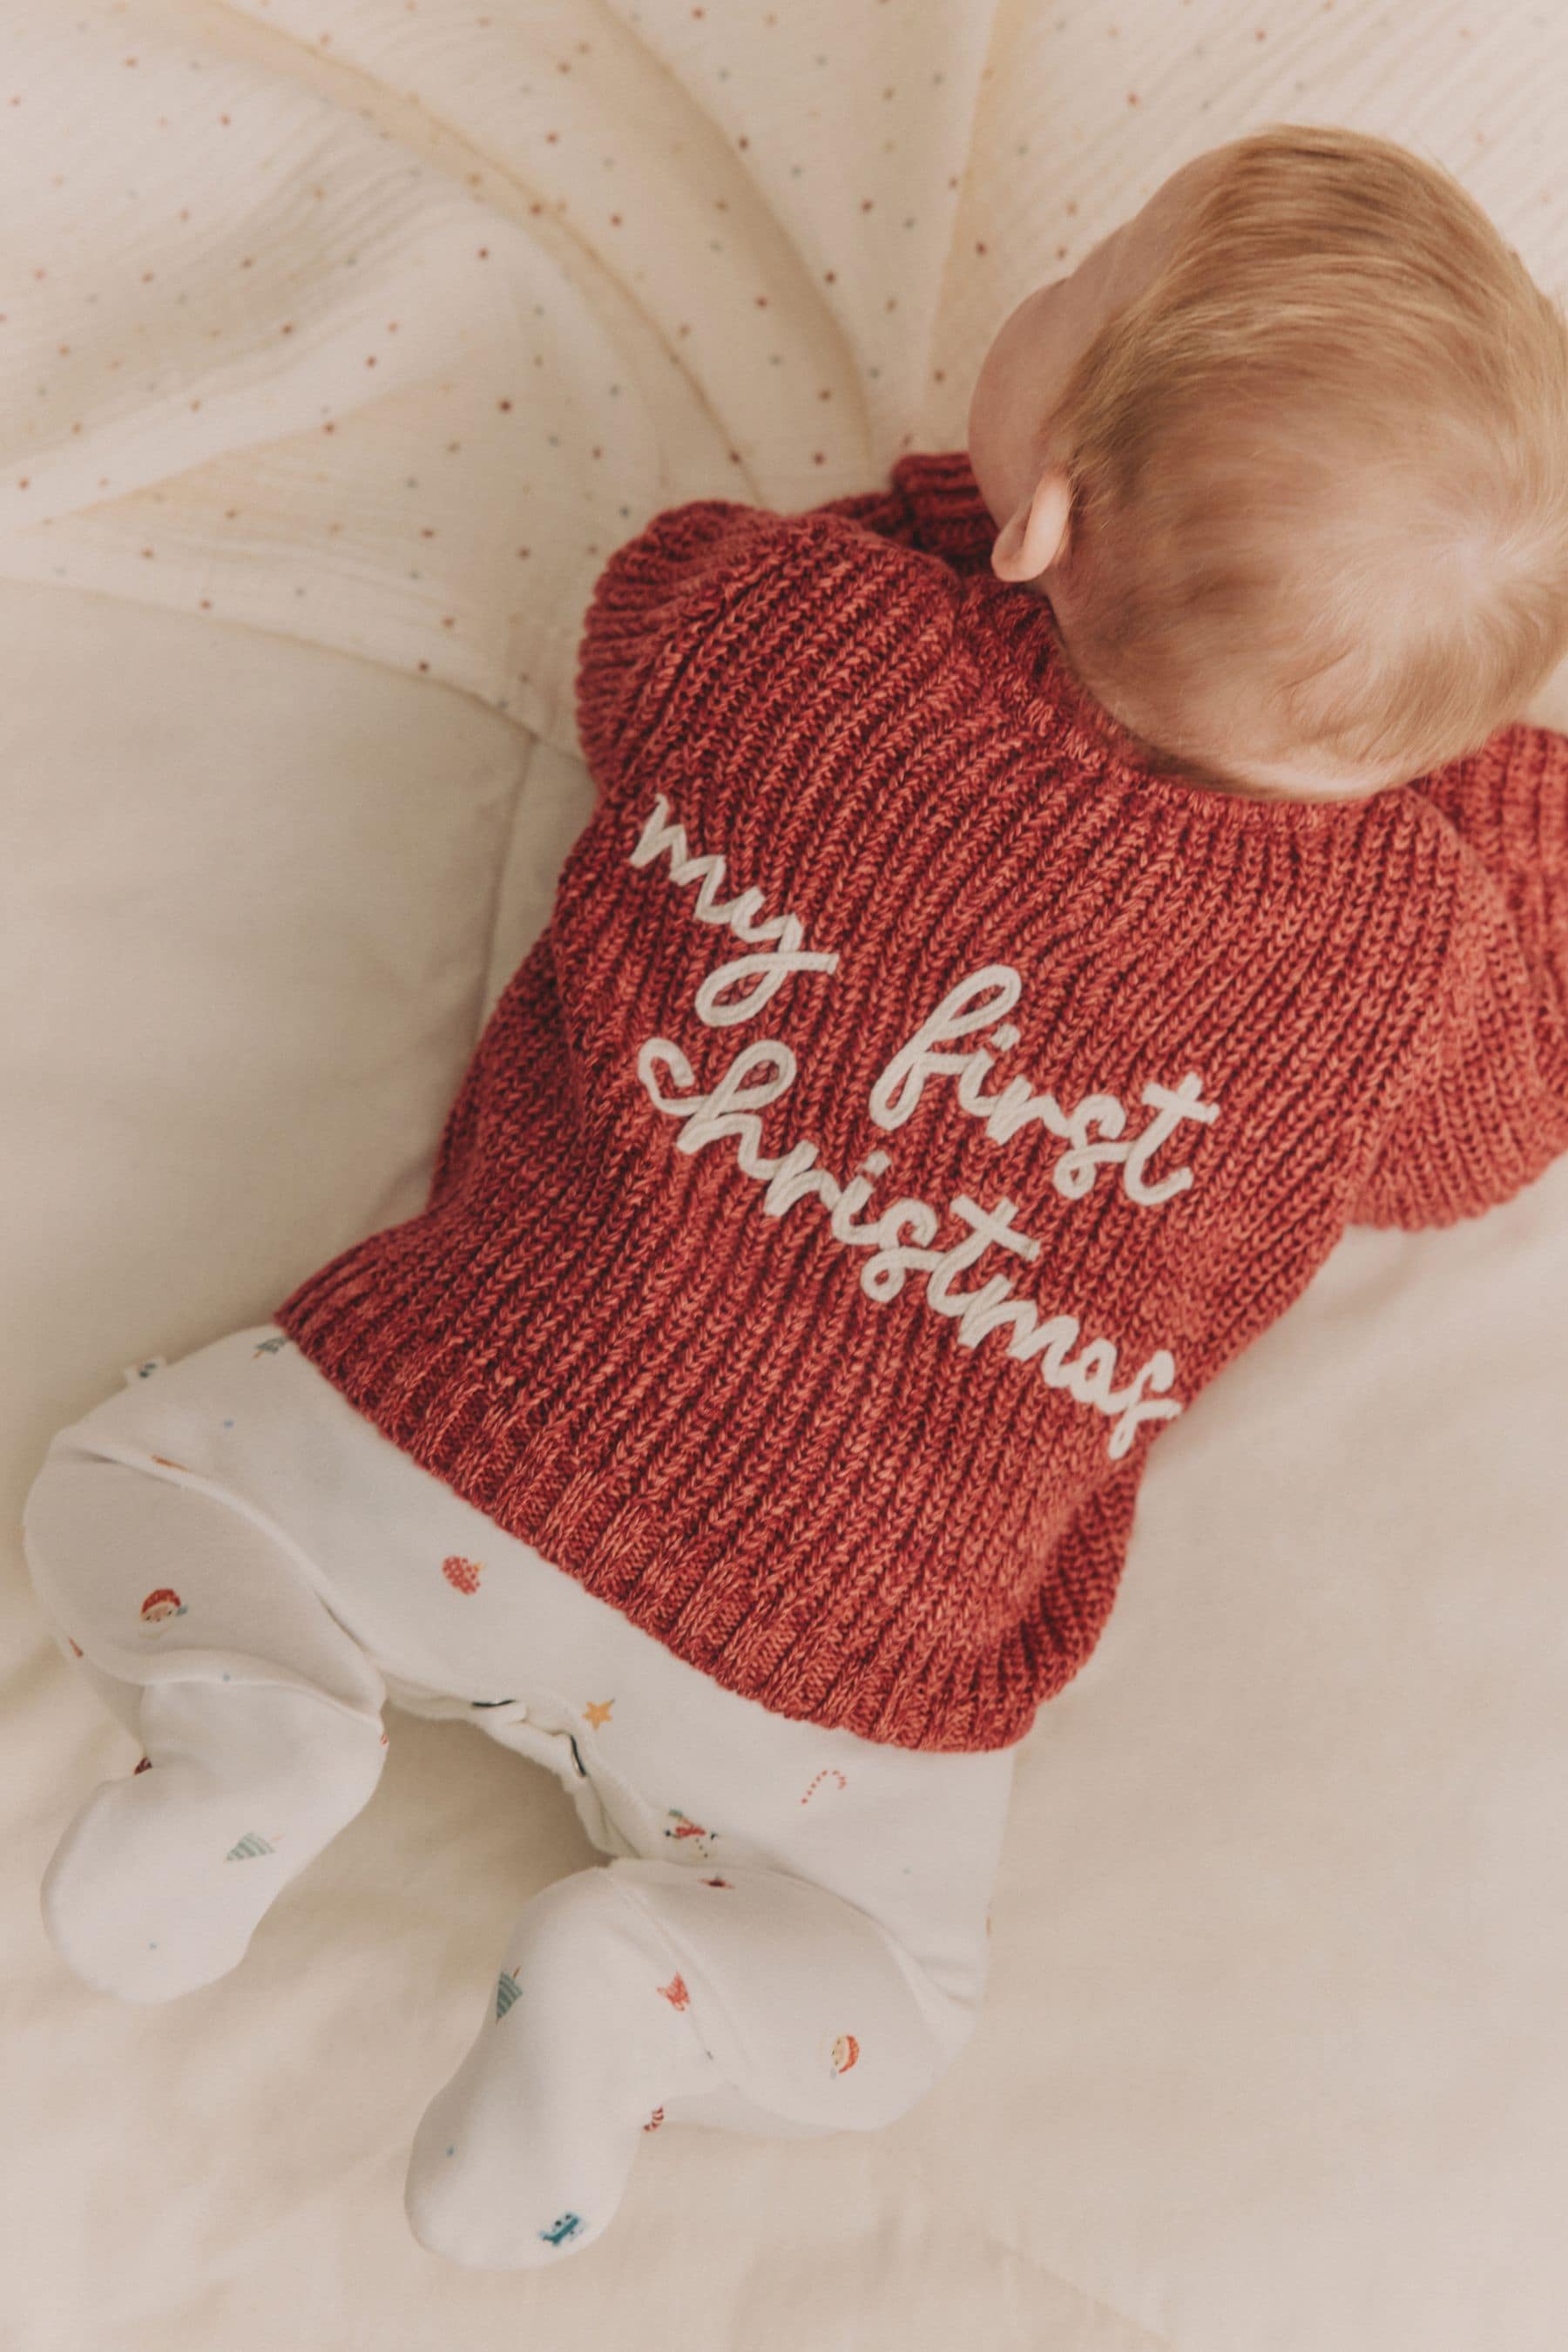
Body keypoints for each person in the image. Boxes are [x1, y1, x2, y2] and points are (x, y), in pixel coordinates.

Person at [21, 124, 1568, 2270]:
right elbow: (1511, 1117)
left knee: (124, 1484)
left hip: (454, 1445)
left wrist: (951, 546)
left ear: (1035, 516)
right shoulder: (1412, 966)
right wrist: (1461, 775)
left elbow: (633, 627)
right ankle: (648, 1998)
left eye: (1081, 285)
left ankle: (253, 1722)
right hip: (830, 1697)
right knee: (897, 1999)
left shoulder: (804, 635)